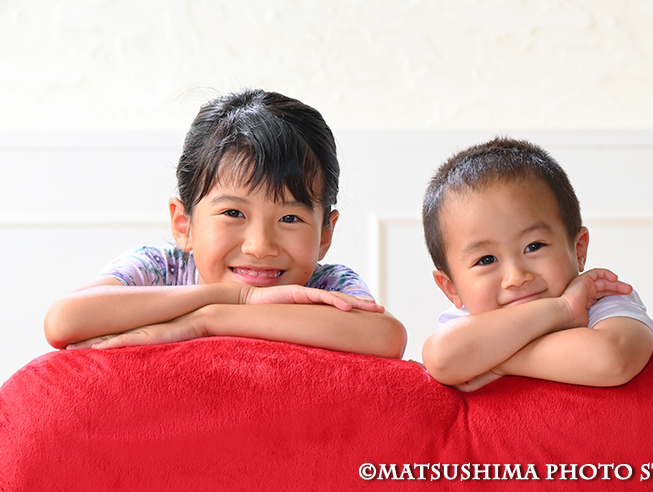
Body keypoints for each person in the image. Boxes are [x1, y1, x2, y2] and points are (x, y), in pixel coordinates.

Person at [44, 89, 407, 359]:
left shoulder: (325, 286)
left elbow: (386, 337)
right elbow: (63, 320)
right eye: (233, 213)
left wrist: (209, 321)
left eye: (290, 218)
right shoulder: (159, 268)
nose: (260, 246)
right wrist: (236, 296)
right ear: (184, 224)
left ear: (325, 234)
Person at [421, 137, 653, 391]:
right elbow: (441, 359)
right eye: (486, 260)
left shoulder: (599, 299)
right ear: (451, 289)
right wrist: (561, 309)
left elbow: (613, 360)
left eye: (534, 246)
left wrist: (495, 362)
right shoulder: (467, 325)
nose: (516, 276)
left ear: (578, 249)